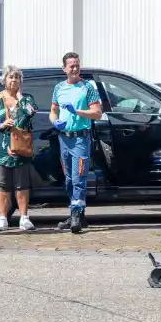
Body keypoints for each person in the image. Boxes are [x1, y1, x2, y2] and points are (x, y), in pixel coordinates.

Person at [50, 52, 102, 234]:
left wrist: (78, 111)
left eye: (77, 65)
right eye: (71, 66)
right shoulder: (59, 88)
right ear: (64, 68)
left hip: (80, 138)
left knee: (79, 177)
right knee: (70, 179)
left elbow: (97, 113)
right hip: (64, 138)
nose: (75, 68)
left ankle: (76, 215)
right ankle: (77, 213)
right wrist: (54, 121)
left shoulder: (87, 88)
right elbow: (53, 111)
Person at [0, 65, 38, 232]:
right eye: (11, 77)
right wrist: (1, 124)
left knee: (22, 183)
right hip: (1, 147)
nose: (14, 80)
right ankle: (3, 218)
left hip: (21, 147)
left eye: (17, 77)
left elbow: (31, 113)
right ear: (4, 80)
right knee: (2, 183)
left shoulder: (27, 99)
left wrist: (20, 98)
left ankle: (24, 218)